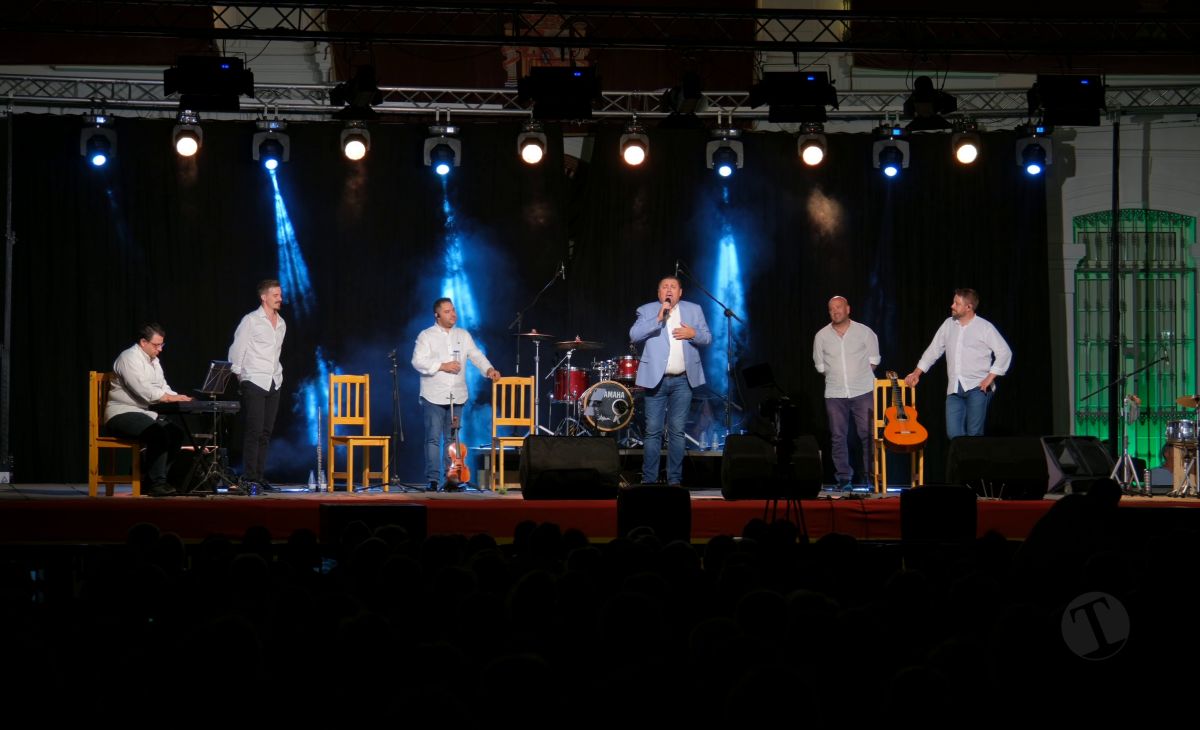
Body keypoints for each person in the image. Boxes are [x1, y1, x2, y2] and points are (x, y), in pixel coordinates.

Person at [411, 297, 501, 491]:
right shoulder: (426, 336)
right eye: (447, 311)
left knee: (452, 440)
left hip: (457, 395)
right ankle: (433, 480)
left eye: (453, 310)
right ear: (437, 315)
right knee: (433, 439)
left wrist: (488, 369)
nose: (453, 314)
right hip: (433, 395)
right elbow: (417, 361)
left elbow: (476, 355)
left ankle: (451, 479)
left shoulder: (463, 335)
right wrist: (442, 366)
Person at [630, 275, 712, 486]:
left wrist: (693, 333)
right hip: (656, 380)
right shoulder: (646, 310)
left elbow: (707, 337)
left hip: (683, 380)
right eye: (664, 287)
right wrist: (658, 318)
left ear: (680, 292)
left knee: (677, 431)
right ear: (659, 293)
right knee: (653, 431)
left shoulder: (694, 310)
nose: (669, 290)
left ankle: (674, 480)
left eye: (673, 287)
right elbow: (634, 335)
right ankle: (649, 480)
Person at [904, 288, 1012, 438]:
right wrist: (917, 373)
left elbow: (1004, 352)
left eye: (957, 303)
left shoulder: (984, 327)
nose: (952, 306)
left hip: (978, 388)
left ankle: (974, 454)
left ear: (969, 307)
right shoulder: (948, 324)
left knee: (974, 435)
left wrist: (990, 377)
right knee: (954, 435)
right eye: (953, 302)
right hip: (955, 388)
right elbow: (933, 350)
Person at [104, 323, 193, 497]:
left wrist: (179, 397)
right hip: (121, 414)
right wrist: (169, 398)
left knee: (175, 434)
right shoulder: (128, 358)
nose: (160, 349)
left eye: (162, 345)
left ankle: (150, 480)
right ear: (143, 342)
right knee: (157, 433)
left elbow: (162, 386)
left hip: (145, 414)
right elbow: (143, 390)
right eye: (156, 345)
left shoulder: (154, 361)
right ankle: (157, 483)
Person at [813, 295, 880, 490]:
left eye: (839, 307)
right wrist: (839, 377)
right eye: (832, 308)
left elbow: (874, 360)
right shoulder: (821, 336)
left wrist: (856, 377)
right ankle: (844, 478)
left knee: (869, 435)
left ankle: (871, 478)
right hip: (835, 394)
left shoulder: (865, 332)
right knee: (838, 436)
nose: (836, 311)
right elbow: (820, 366)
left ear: (848, 309)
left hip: (863, 391)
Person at [228, 279, 286, 492]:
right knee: (255, 430)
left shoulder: (281, 323)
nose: (280, 299)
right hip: (254, 380)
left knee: (266, 432)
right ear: (264, 297)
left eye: (280, 295)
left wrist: (277, 376)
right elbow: (237, 350)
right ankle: (249, 476)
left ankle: (260, 476)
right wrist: (240, 376)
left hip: (274, 380)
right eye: (275, 295)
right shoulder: (251, 320)